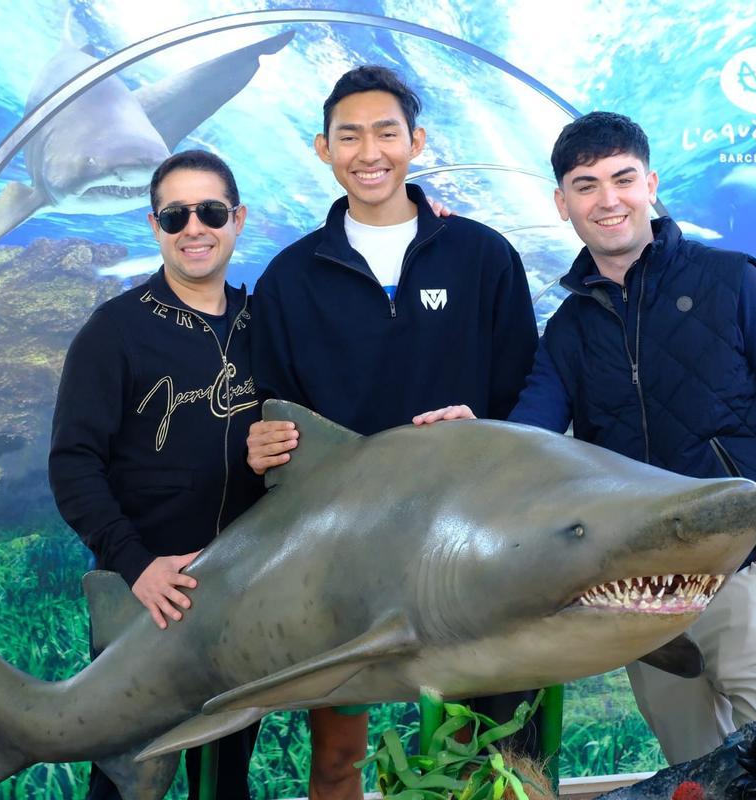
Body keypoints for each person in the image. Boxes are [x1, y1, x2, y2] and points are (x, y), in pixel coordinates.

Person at [415, 111, 756, 765]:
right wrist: (474, 437)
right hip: (645, 601)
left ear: (650, 185)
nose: (607, 199)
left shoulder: (734, 283)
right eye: (585, 185)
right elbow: (529, 439)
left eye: (622, 178)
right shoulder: (568, 330)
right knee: (693, 777)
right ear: (562, 203)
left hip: (749, 578)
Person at [245, 65, 539, 799]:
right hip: (343, 556)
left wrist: (487, 427)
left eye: (386, 133)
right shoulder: (288, 278)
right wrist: (258, 443)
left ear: (417, 141)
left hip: (473, 543)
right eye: (349, 136)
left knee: (482, 752)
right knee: (337, 759)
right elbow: (271, 411)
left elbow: (525, 395)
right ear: (323, 149)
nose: (369, 152)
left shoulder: (483, 256)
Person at [49, 150, 263, 799]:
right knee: (123, 780)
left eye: (211, 212)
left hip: (246, 595)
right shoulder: (114, 331)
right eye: (176, 216)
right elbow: (72, 464)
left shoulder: (268, 326)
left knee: (226, 782)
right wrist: (137, 565)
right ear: (154, 226)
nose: (195, 228)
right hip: (145, 598)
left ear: (238, 219)